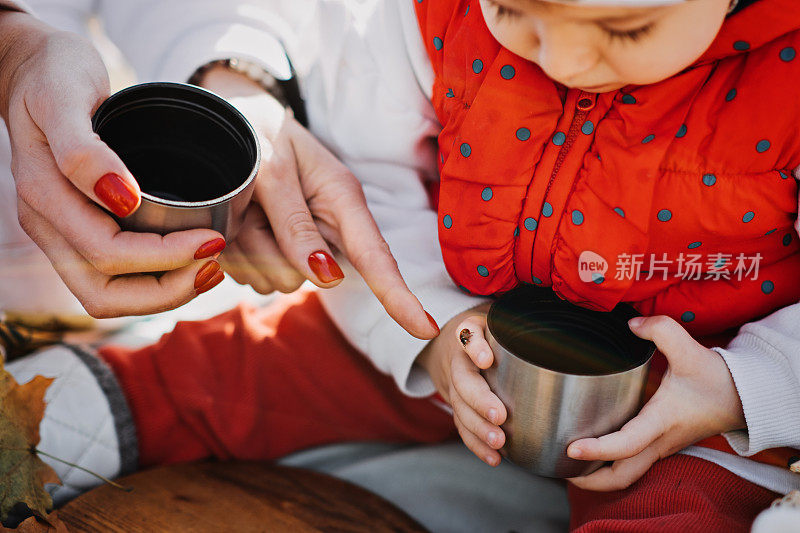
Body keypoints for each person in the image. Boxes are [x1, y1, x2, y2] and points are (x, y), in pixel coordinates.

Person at [6, 0, 800, 531]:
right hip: (460, 328)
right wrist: (429, 325)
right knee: (246, 366)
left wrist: (744, 389)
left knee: (687, 513)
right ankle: (45, 419)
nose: (563, 59)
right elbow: (369, 181)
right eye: (513, 10)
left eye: (625, 30)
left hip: (695, 397)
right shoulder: (428, 17)